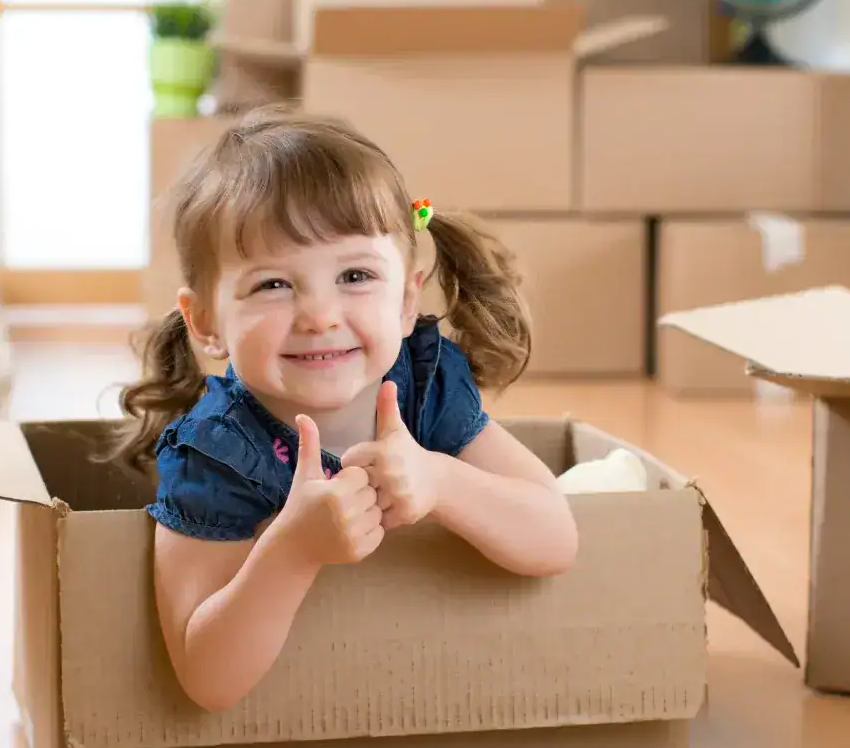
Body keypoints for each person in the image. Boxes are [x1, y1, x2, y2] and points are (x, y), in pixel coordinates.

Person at [106, 106, 579, 713]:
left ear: (407, 299)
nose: (320, 315)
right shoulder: (214, 456)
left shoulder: (424, 387)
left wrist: (440, 479)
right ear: (205, 321)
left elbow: (555, 536)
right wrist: (292, 549)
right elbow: (207, 678)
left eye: (355, 274)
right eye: (273, 285)